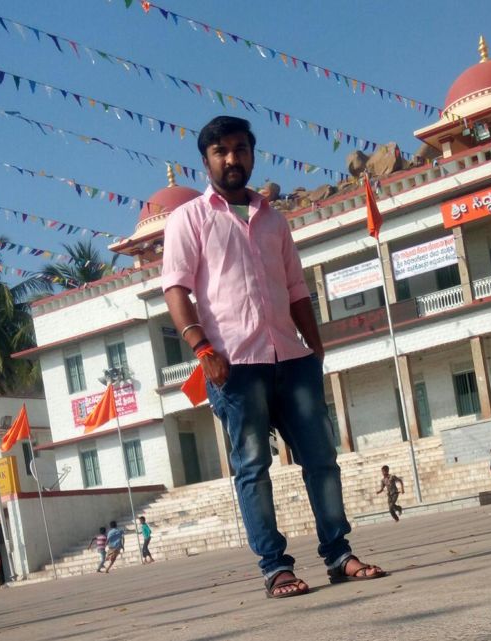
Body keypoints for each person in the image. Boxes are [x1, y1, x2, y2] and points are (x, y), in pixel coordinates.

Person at [162, 115, 387, 599]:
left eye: (240, 149)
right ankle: (275, 567)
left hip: (292, 358)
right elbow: (176, 289)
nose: (232, 158)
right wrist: (202, 349)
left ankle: (339, 554)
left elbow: (296, 288)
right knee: (252, 467)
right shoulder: (189, 219)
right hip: (234, 365)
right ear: (205, 161)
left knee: (322, 459)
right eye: (221, 151)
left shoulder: (273, 219)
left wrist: (315, 349)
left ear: (252, 154)